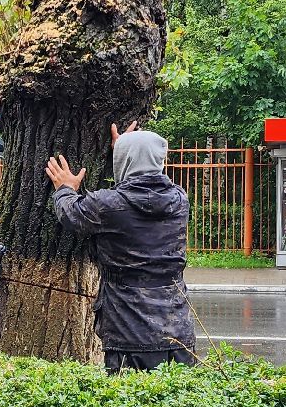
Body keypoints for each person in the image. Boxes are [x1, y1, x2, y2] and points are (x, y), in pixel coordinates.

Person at [45, 122, 198, 371]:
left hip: (129, 332)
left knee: (130, 403)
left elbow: (71, 214)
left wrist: (64, 189)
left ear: (124, 161)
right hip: (178, 330)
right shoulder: (179, 200)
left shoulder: (108, 205)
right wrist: (127, 150)